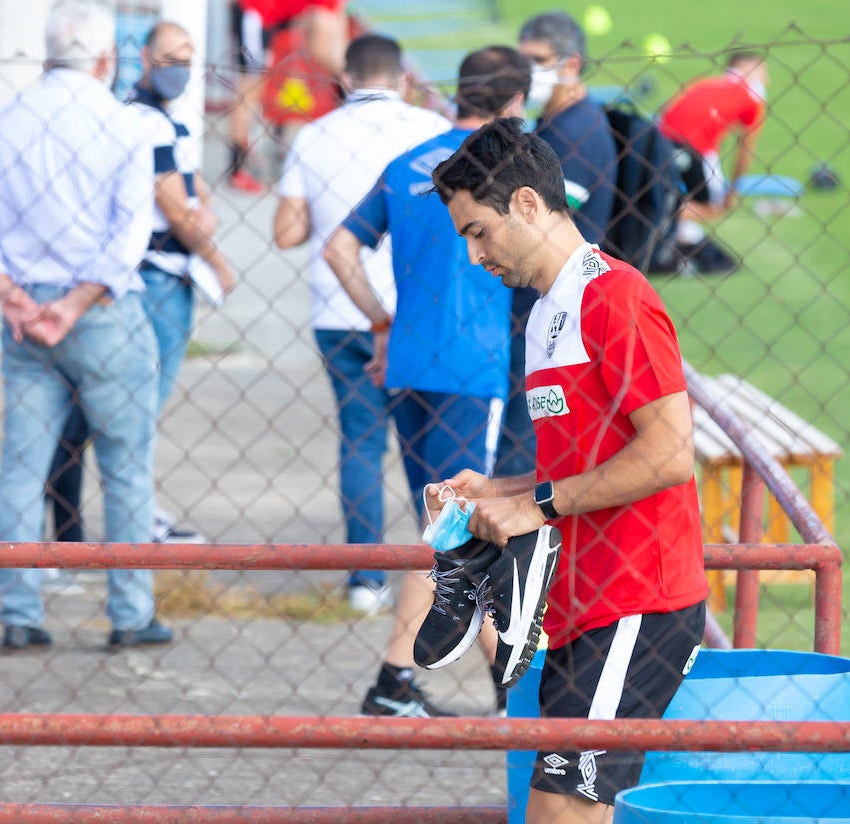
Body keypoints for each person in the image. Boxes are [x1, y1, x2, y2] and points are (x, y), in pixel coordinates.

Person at [431, 119, 709, 823]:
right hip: (587, 604)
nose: (474, 255)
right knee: (571, 810)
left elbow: (671, 453)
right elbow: (581, 465)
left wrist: (540, 505)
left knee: (560, 812)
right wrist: (498, 491)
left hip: (639, 599)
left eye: (478, 231)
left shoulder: (615, 294)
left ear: (528, 204)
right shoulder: (544, 314)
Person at [0, 2, 172, 653]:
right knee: (126, 465)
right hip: (100, 311)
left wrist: (15, 298)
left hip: (25, 320)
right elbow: (129, 236)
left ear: (48, 53)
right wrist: (73, 304)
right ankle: (130, 613)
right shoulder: (123, 127)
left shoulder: (1, 123)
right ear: (107, 60)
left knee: (23, 465)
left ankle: (20, 613)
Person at [324, 46, 531, 718]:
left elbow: (338, 247)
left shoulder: (412, 162)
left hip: (408, 363)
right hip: (469, 367)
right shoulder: (505, 167)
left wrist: (381, 322)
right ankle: (395, 681)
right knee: (448, 526)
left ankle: (510, 680)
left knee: (447, 524)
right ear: (514, 106)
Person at [44, 20, 237, 551]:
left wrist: (198, 217)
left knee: (105, 414)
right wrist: (216, 259)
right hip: (155, 278)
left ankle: (78, 533)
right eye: (171, 58)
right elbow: (188, 215)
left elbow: (194, 199)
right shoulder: (144, 122)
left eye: (189, 58)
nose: (181, 69)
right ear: (145, 59)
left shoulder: (164, 122)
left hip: (161, 276)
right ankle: (119, 525)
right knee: (127, 413)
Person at [273, 33, 450, 613]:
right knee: (428, 446)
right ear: (401, 78)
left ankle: (365, 578)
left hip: (340, 308)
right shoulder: (425, 130)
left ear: (345, 79)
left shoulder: (314, 134)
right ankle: (444, 570)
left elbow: (287, 231)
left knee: (360, 440)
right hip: (416, 308)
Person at [496, 11, 619, 482]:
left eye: (537, 61)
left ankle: (520, 547)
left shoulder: (579, 131)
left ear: (571, 64)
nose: (526, 73)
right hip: (538, 305)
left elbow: (536, 218)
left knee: (528, 439)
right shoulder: (552, 125)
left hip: (560, 312)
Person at [227, 0, 348, 193]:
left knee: (257, 88)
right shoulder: (330, 9)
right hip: (256, 14)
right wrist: (344, 77)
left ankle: (249, 162)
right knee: (249, 90)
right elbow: (329, 45)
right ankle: (237, 169)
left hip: (274, 19)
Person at [658, 51, 768, 253]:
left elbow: (666, 109)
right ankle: (661, 217)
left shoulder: (705, 82)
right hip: (694, 147)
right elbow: (745, 151)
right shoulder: (753, 96)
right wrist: (733, 190)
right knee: (713, 206)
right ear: (750, 69)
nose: (767, 80)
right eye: (763, 72)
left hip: (659, 139)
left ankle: (665, 218)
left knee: (679, 192)